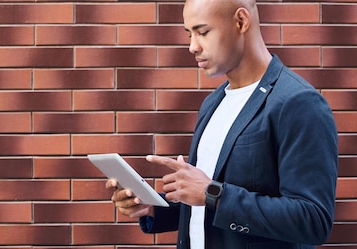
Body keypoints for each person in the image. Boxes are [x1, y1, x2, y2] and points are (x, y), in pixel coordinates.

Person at [105, 0, 339, 248]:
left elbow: (313, 221)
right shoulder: (213, 103)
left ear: (241, 21)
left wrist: (212, 193)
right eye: (189, 34)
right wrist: (153, 207)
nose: (192, 46)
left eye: (203, 32)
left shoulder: (298, 103)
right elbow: (208, 207)